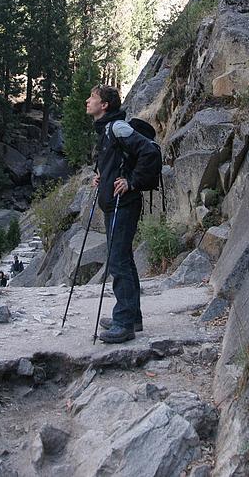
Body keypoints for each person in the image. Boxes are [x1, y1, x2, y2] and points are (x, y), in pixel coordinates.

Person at [86, 84, 156, 344]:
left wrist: (131, 182)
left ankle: (124, 322)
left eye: (92, 98)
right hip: (114, 203)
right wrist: (101, 178)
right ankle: (132, 317)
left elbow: (148, 151)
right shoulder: (106, 129)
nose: (88, 101)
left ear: (104, 105)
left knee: (117, 261)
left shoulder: (117, 127)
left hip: (123, 204)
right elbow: (118, 163)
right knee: (123, 258)